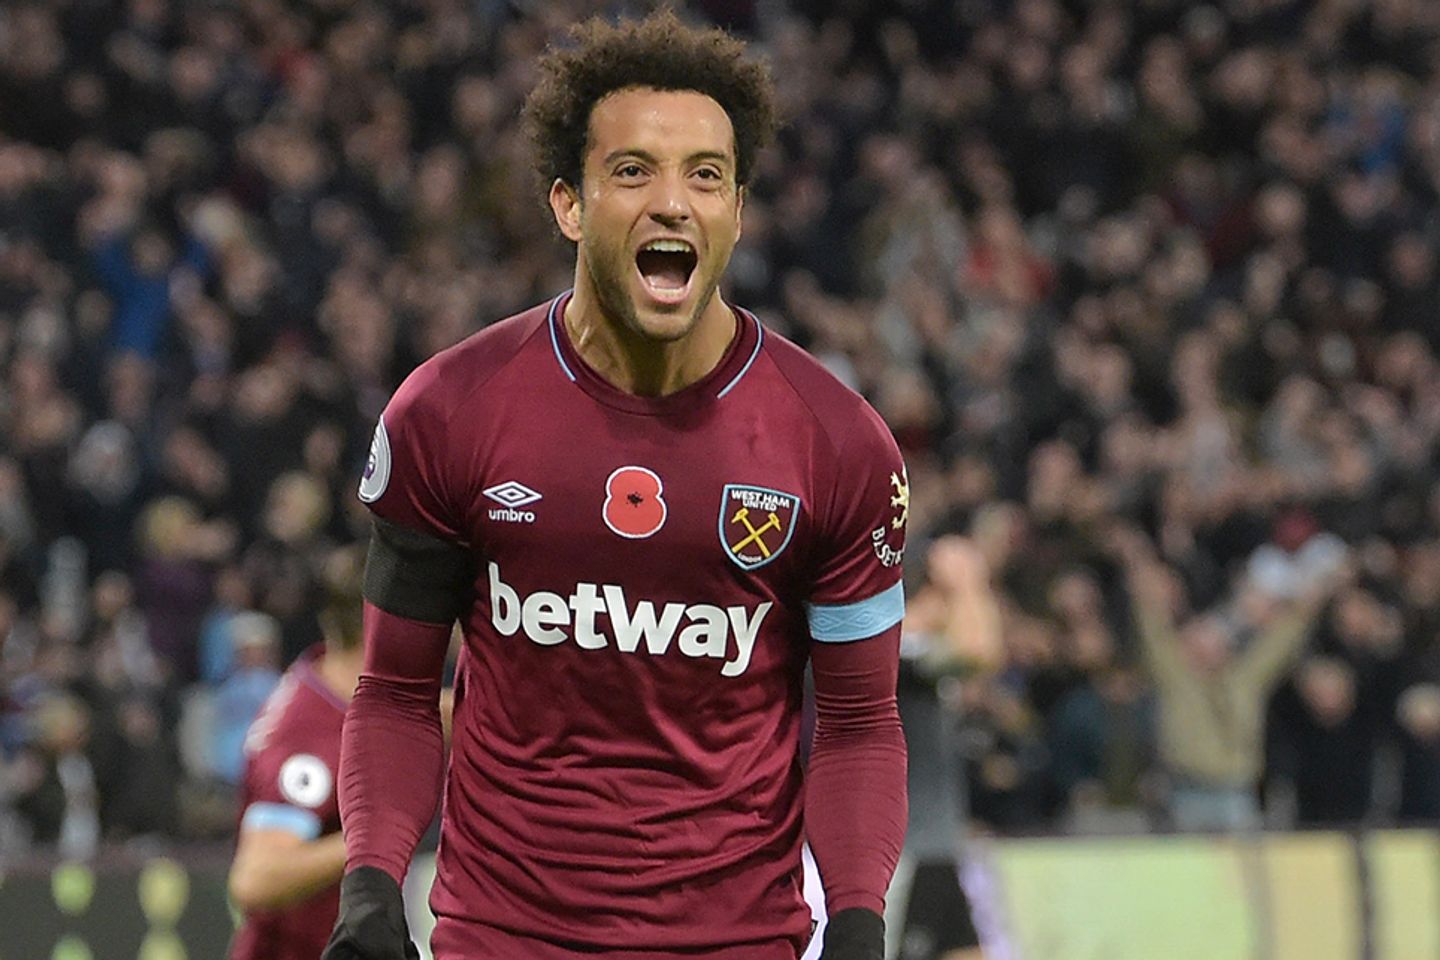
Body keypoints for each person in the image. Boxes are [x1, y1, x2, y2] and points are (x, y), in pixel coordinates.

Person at [325, 11, 909, 960]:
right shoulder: (449, 411)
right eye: (633, 170)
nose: (673, 202)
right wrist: (370, 886)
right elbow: (394, 690)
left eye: (706, 176)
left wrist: (854, 919)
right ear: (568, 203)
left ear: (738, 210)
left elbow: (857, 723)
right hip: (503, 942)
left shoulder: (838, 446)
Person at [227, 546, 368, 960]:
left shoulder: (335, 688)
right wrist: (373, 840)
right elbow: (256, 879)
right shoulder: (310, 742)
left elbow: (429, 711)